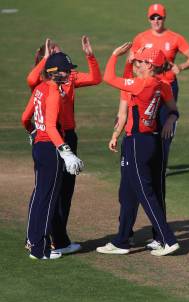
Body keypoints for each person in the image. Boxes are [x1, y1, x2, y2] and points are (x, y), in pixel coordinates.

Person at [125, 3, 189, 250]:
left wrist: (181, 67)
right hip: (144, 90)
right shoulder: (140, 38)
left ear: (164, 18)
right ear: (148, 18)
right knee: (142, 147)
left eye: (160, 17)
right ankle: (131, 231)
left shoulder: (174, 38)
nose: (156, 20)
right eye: (152, 17)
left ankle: (157, 234)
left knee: (156, 160)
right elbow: (131, 62)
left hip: (166, 90)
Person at [97, 43, 180, 257]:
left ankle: (167, 239)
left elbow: (108, 78)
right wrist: (171, 118)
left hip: (137, 143)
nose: (138, 62)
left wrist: (115, 54)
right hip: (149, 142)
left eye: (142, 61)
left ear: (151, 65)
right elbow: (174, 110)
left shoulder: (139, 85)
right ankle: (122, 240)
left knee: (145, 193)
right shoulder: (162, 84)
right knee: (128, 192)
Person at [26, 36, 102, 255]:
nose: (59, 54)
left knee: (65, 191)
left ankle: (59, 239)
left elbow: (96, 78)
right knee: (47, 192)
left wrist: (90, 55)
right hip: (52, 138)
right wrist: (46, 59)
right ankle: (38, 240)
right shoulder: (42, 84)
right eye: (53, 52)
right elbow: (30, 78)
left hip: (68, 135)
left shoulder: (69, 78)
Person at [21, 53, 85, 260]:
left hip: (39, 147)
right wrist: (66, 152)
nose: (69, 74)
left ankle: (33, 242)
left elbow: (25, 117)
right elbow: (50, 126)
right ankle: (41, 249)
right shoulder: (54, 93)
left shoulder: (39, 88)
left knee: (40, 196)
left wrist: (32, 131)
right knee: (48, 199)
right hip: (50, 149)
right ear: (54, 72)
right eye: (65, 70)